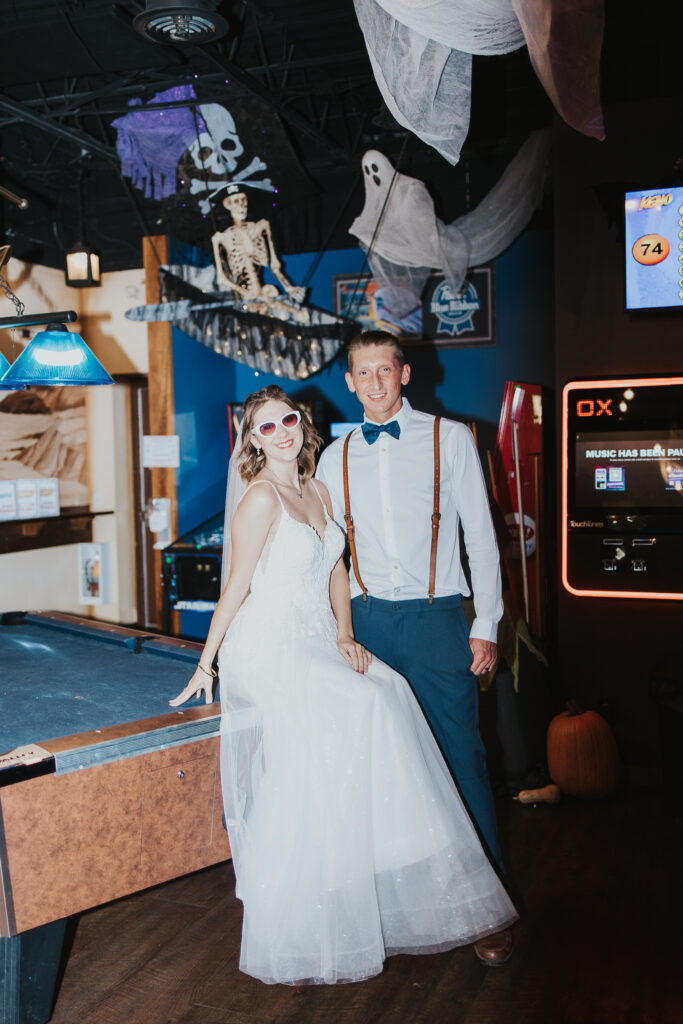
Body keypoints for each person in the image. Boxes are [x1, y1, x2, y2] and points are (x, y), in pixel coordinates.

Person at [171, 384, 516, 985]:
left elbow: (337, 569)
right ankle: (317, 893)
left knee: (388, 693)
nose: (280, 433)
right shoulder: (258, 498)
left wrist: (346, 637)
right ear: (251, 442)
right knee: (364, 708)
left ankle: (378, 868)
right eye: (264, 428)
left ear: (301, 426)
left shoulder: (319, 489)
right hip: (270, 644)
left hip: (317, 635)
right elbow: (236, 588)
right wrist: (208, 662)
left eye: (286, 421)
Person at [316, 330, 512, 966]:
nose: (373, 383)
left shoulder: (449, 438)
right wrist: (329, 632)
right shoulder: (333, 456)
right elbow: (327, 557)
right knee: (378, 769)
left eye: (384, 370)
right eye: (361, 373)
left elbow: (481, 540)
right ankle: (395, 903)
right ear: (349, 382)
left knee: (462, 757)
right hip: (366, 626)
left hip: (435, 622)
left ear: (403, 374)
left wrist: (488, 622)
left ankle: (490, 909)